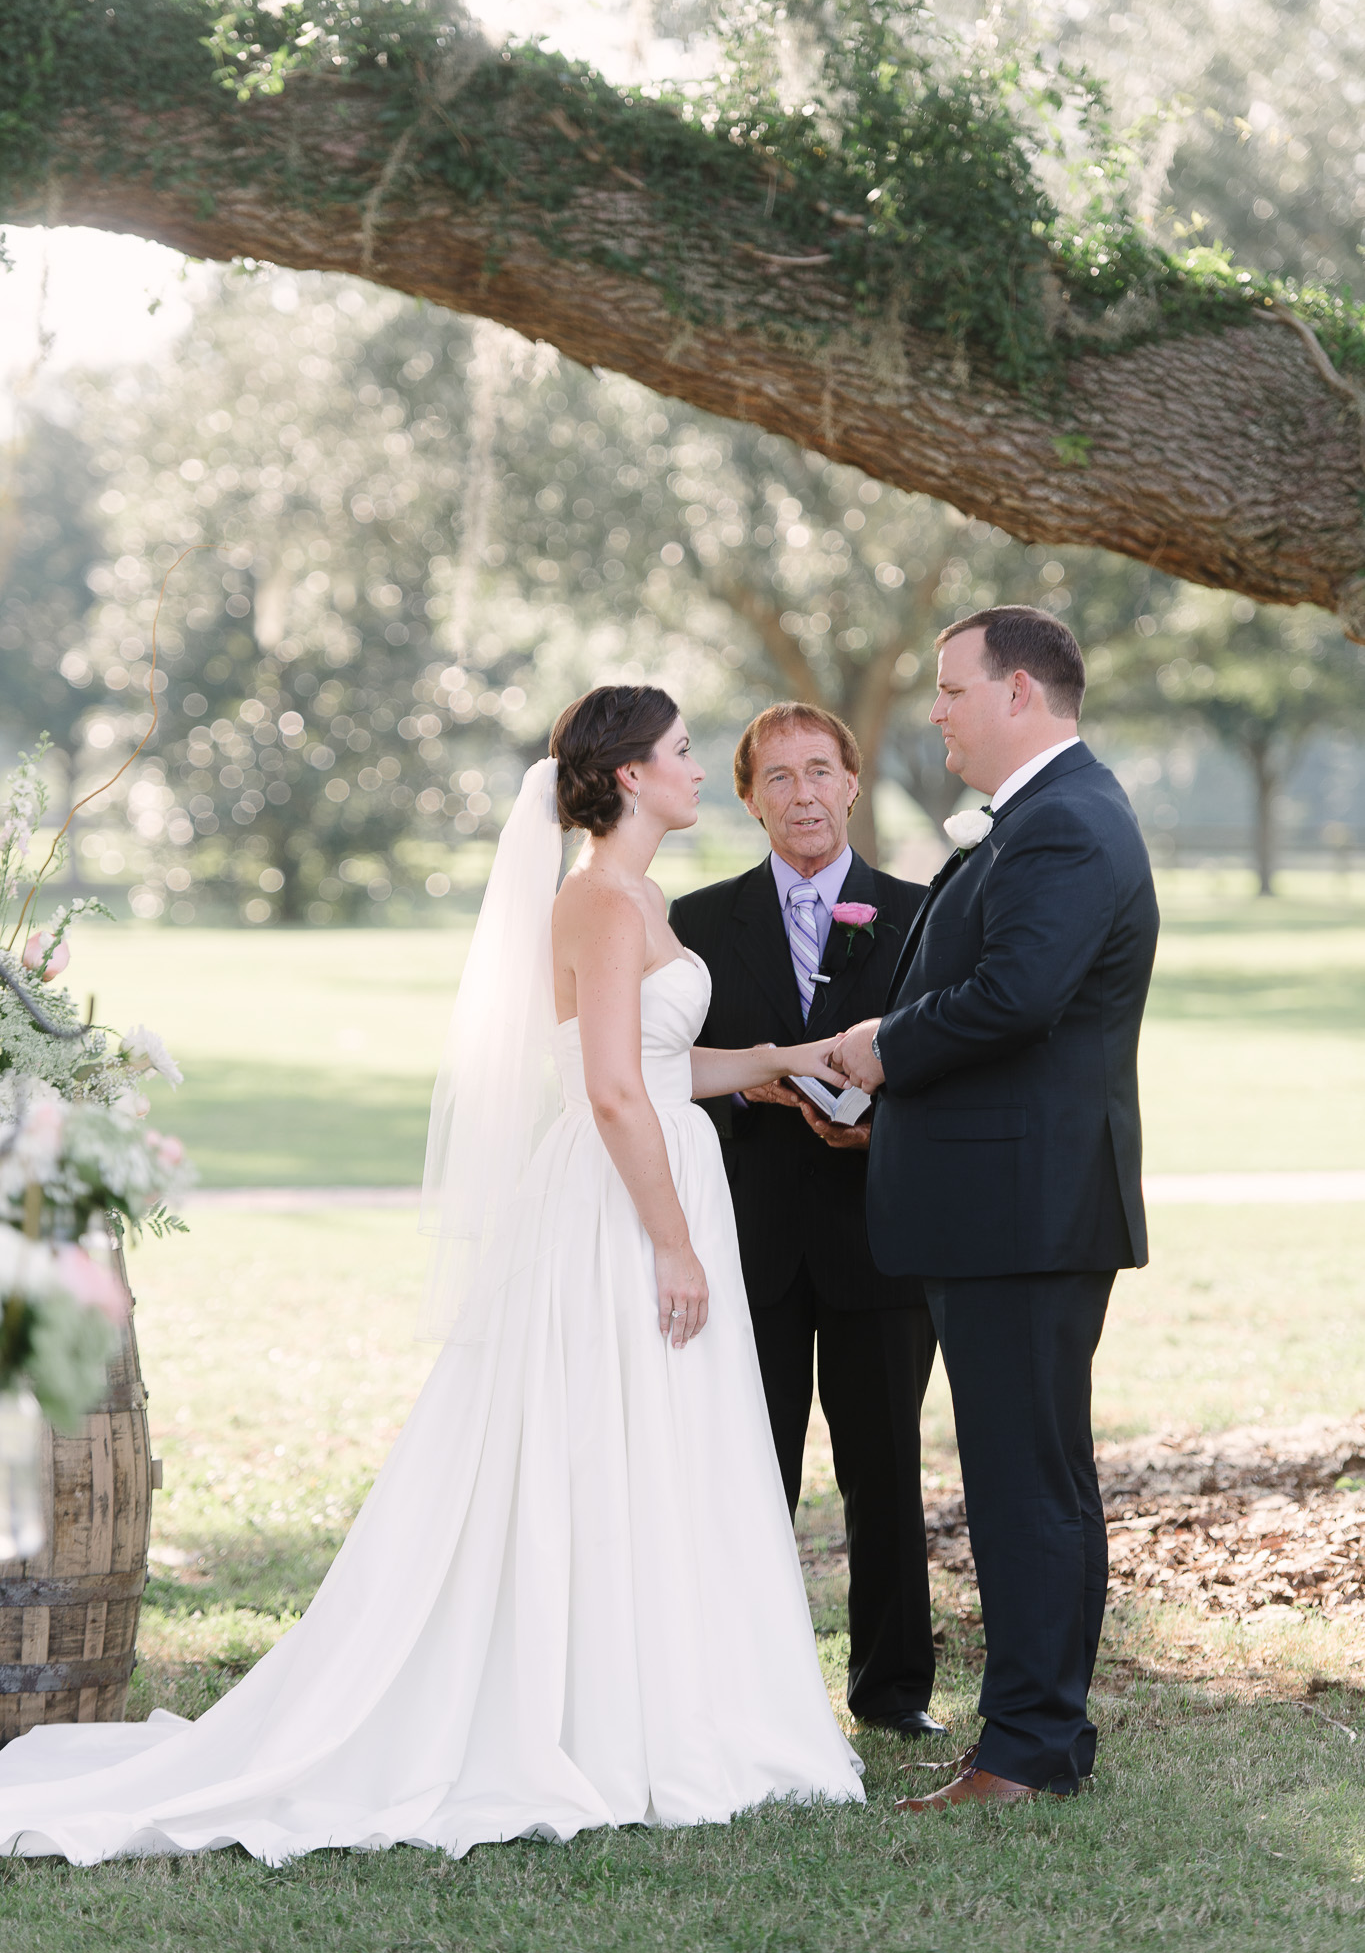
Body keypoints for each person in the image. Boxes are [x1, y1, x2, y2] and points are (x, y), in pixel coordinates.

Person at [0, 685, 862, 1865]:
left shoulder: (642, 896)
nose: (700, 770)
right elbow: (611, 1091)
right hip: (623, 1199)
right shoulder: (599, 903)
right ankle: (594, 1712)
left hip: (658, 1169)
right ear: (624, 777)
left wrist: (779, 1057)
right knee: (602, 1435)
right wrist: (672, 1239)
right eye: (681, 752)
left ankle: (669, 1689)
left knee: (656, 1441)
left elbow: (661, 1063)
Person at [835, 606, 1159, 1809]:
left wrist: (879, 1047)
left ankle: (1024, 1748)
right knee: (1044, 1477)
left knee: (1025, 1482)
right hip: (1014, 1197)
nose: (938, 710)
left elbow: (1016, 995)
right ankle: (1045, 1738)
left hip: (1022, 1209)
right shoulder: (1047, 815)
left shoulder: (1066, 821)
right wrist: (884, 1088)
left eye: (952, 688)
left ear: (1020, 692)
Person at [670, 703, 943, 1740]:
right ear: (748, 798)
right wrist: (751, 1091)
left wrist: (882, 1125)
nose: (802, 795)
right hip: (753, 1239)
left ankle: (892, 1693)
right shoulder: (695, 921)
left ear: (853, 782)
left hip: (881, 1236)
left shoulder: (920, 913)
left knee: (884, 1472)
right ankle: (748, 1693)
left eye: (819, 771)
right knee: (752, 1471)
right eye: (776, 777)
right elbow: (662, 1070)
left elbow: (947, 1059)